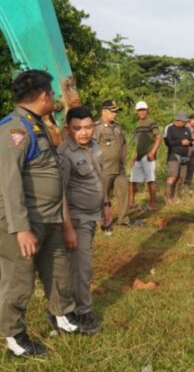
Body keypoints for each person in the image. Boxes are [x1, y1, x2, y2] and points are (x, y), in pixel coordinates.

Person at [0, 71, 95, 358]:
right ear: (43, 96)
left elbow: (51, 178)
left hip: (50, 218)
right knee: (19, 280)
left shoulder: (39, 127)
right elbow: (9, 181)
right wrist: (21, 229)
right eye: (52, 93)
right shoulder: (13, 129)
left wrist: (65, 224)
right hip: (25, 222)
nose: (53, 98)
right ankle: (13, 335)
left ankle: (62, 316)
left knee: (59, 271)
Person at [58, 106, 109, 334]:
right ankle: (82, 312)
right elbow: (60, 193)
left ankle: (70, 307)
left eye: (88, 127)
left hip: (94, 214)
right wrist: (68, 227)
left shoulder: (95, 146)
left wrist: (106, 204)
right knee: (82, 267)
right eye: (77, 128)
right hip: (77, 218)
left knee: (80, 266)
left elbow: (100, 177)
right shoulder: (64, 153)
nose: (84, 133)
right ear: (68, 129)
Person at [94, 100, 131, 229]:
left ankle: (123, 219)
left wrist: (123, 158)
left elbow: (124, 143)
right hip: (105, 168)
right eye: (112, 111)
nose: (115, 114)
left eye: (116, 112)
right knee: (102, 195)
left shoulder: (117, 127)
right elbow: (91, 147)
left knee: (124, 191)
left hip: (119, 167)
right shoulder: (96, 127)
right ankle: (103, 220)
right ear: (104, 111)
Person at [129, 101, 161, 211]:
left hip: (148, 155)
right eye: (139, 110)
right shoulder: (137, 124)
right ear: (136, 112)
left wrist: (153, 152)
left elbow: (158, 137)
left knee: (150, 180)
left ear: (147, 110)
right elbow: (139, 142)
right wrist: (134, 155)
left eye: (144, 110)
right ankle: (131, 202)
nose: (142, 112)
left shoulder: (151, 122)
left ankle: (153, 204)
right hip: (139, 155)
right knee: (133, 180)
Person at [163, 111, 193, 203]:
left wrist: (190, 142)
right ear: (178, 120)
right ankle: (168, 197)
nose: (185, 123)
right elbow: (168, 143)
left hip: (184, 157)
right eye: (183, 121)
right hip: (174, 156)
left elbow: (190, 141)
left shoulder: (187, 129)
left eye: (185, 121)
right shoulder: (170, 128)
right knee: (173, 176)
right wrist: (180, 142)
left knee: (180, 178)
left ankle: (177, 197)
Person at [183, 113, 194, 194]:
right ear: (190, 119)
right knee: (183, 171)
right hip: (185, 153)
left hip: (193, 154)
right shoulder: (184, 128)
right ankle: (180, 189)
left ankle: (188, 188)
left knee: (191, 170)